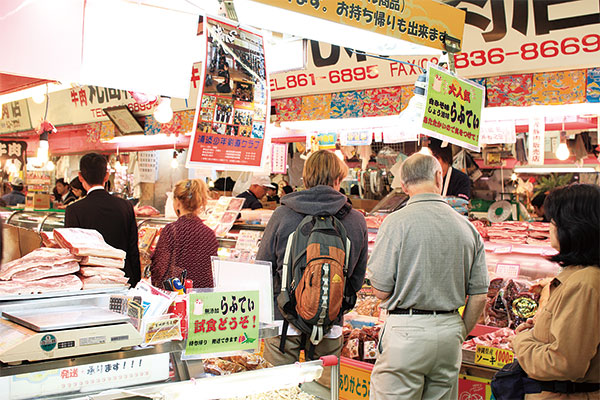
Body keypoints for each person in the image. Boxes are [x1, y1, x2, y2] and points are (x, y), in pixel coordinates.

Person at [367, 153, 489, 400]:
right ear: (438, 176)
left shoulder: (395, 223)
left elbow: (379, 289)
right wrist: (458, 331)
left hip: (405, 332)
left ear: (403, 184)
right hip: (449, 332)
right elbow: (480, 295)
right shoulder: (467, 228)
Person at [256, 150, 369, 389]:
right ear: (338, 178)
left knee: (277, 391)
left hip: (283, 321)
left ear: (306, 177)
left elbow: (263, 266)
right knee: (323, 390)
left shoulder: (283, 214)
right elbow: (357, 279)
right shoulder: (355, 219)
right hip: (331, 322)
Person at [512, 184, 600, 399]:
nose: (549, 227)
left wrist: (521, 341)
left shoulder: (584, 283)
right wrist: (540, 329)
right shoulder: (576, 275)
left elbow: (564, 363)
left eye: (554, 221)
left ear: (574, 227)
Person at [65, 153, 141, 286]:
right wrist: (136, 283)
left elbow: (71, 254)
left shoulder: (74, 210)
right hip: (122, 279)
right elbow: (133, 250)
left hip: (90, 283)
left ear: (80, 177)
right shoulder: (126, 206)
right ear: (106, 176)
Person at [151, 179, 218, 289]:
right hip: (201, 298)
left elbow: (159, 268)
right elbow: (211, 273)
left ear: (177, 202)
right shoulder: (209, 234)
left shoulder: (170, 230)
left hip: (177, 298)